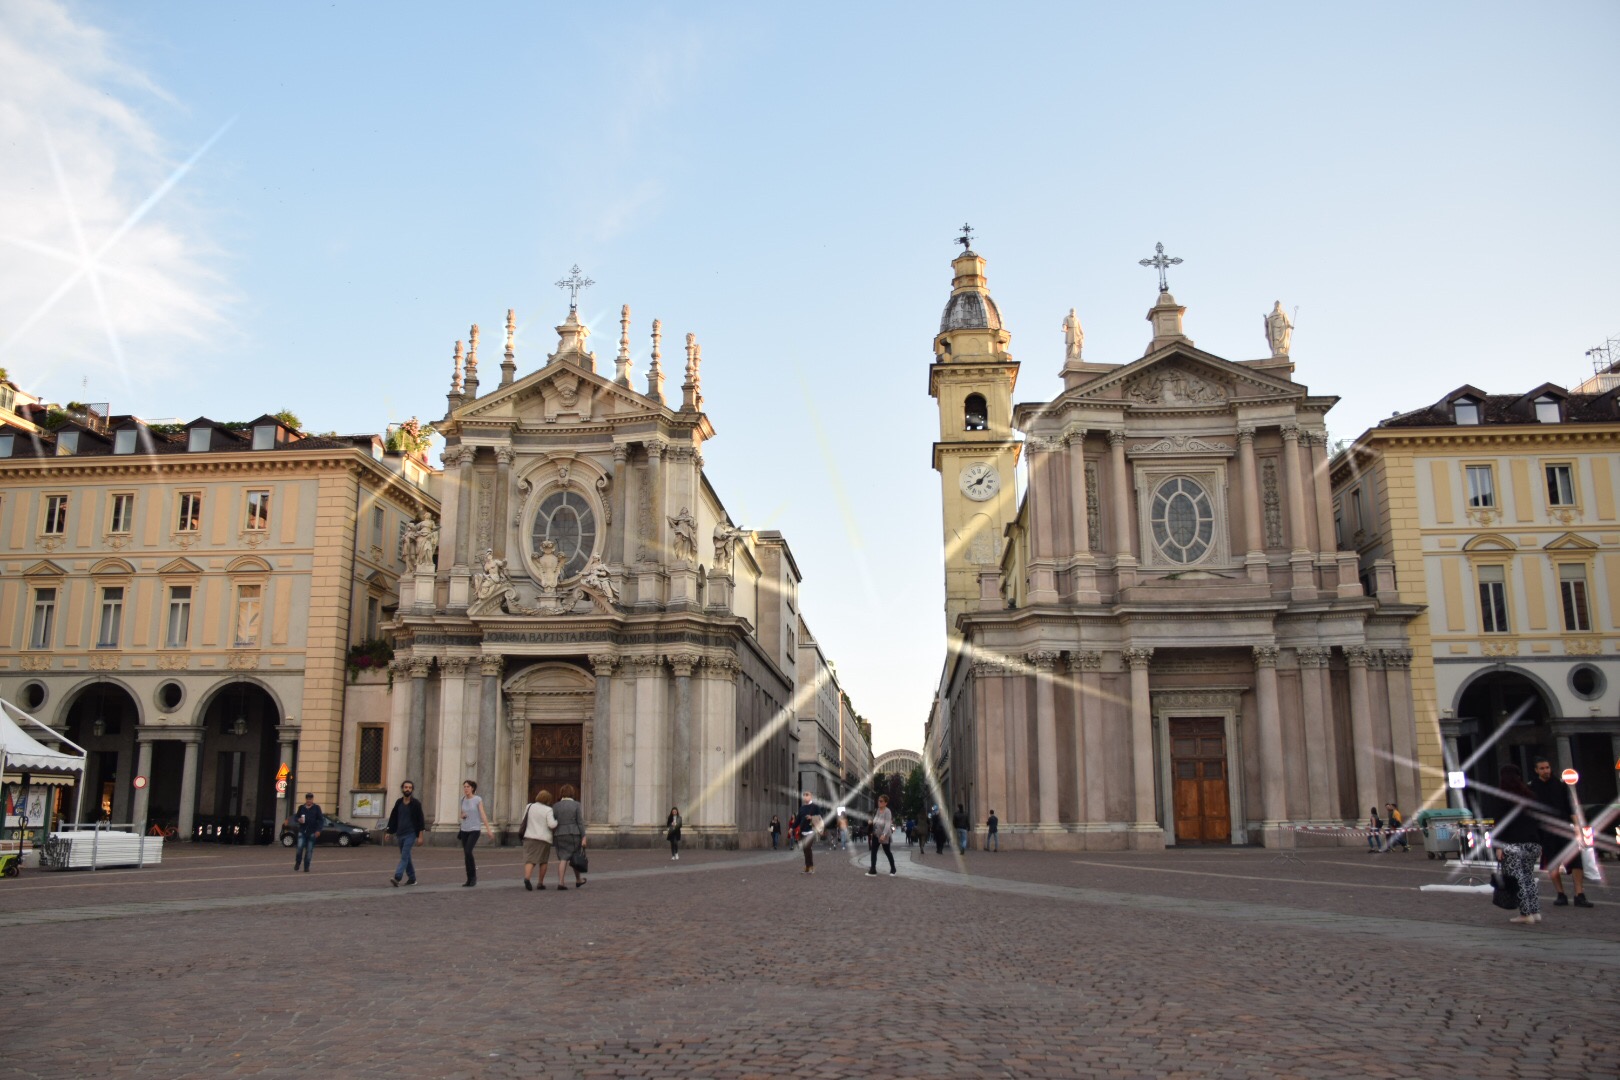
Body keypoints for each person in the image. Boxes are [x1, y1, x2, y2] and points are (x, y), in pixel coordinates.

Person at [1482, 764, 1544, 925]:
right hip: (1533, 843)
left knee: (1518, 880)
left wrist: (1499, 846)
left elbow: (1501, 824)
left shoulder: (1503, 797)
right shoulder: (1530, 796)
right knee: (1529, 877)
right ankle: (1535, 911)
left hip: (1513, 844)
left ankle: (1525, 914)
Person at [1528, 757, 1592, 908]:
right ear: (1536, 770)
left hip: (1564, 828)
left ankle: (1579, 894)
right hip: (1546, 831)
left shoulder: (1560, 785)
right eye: (1542, 768)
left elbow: (1571, 808)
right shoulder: (1531, 788)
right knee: (1553, 862)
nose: (1546, 770)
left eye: (1547, 767)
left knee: (1576, 861)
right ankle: (1560, 894)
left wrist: (1577, 828)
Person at [385, 780, 425, 886]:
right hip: (400, 833)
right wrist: (389, 831)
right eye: (406, 787)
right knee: (406, 856)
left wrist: (420, 836)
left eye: (410, 788)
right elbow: (393, 817)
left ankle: (397, 877)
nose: (408, 789)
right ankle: (412, 878)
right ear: (402, 789)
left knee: (404, 856)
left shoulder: (416, 804)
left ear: (412, 790)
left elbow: (420, 820)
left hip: (411, 833)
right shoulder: (398, 802)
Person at [519, 788, 558, 891]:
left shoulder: (529, 806)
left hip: (529, 837)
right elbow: (552, 824)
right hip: (543, 838)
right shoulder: (548, 810)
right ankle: (540, 882)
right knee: (543, 861)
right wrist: (557, 821)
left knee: (530, 859)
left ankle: (527, 877)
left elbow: (524, 820)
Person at [458, 779, 494, 886]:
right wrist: (462, 816)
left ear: (472, 788)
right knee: (466, 854)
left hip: (475, 829)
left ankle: (473, 877)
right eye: (464, 787)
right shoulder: (462, 799)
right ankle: (468, 878)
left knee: (469, 851)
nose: (466, 789)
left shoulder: (477, 799)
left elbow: (482, 814)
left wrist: (488, 829)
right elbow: (462, 813)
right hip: (464, 829)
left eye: (468, 787)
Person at [552, 784, 587, 889]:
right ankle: (578, 879)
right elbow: (580, 822)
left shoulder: (556, 806)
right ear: (572, 793)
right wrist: (584, 836)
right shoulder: (576, 805)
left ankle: (561, 882)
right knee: (575, 856)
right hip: (573, 834)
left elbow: (553, 821)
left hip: (559, 834)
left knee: (563, 858)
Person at [866, 794, 897, 877]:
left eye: (881, 801)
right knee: (873, 851)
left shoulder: (887, 811)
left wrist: (884, 834)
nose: (879, 802)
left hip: (884, 835)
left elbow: (887, 824)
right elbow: (876, 819)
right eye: (878, 801)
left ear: (885, 803)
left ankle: (893, 868)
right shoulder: (878, 810)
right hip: (876, 834)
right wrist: (871, 821)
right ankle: (873, 869)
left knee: (887, 852)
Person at [292, 792, 322, 872]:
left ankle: (306, 866)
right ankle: (298, 862)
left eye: (310, 799)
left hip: (312, 832)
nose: (309, 801)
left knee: (309, 850)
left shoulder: (316, 808)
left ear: (312, 799)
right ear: (306, 799)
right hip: (302, 831)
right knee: (299, 848)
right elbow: (296, 817)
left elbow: (320, 820)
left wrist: (318, 830)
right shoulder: (301, 807)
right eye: (308, 799)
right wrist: (299, 820)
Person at [794, 791, 820, 875]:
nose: (805, 796)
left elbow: (820, 817)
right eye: (804, 795)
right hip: (802, 831)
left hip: (811, 831)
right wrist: (792, 828)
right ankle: (807, 867)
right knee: (805, 850)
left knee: (808, 848)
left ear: (811, 797)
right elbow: (798, 819)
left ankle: (811, 867)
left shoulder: (815, 807)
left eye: (807, 795)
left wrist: (811, 817)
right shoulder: (802, 808)